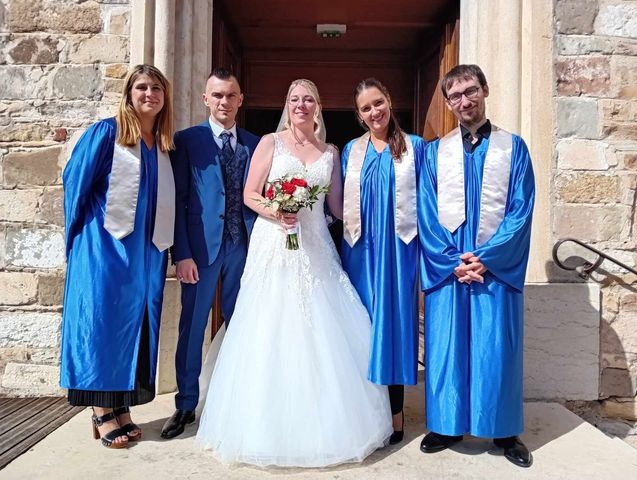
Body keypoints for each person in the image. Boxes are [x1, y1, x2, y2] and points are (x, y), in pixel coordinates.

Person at [196, 79, 392, 467]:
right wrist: (276, 210)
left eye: (308, 99)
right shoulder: (271, 142)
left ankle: (330, 423)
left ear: (318, 107)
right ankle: (262, 426)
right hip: (275, 244)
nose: (301, 105)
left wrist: (375, 211)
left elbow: (336, 206)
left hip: (317, 246)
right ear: (287, 105)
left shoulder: (331, 153)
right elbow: (250, 194)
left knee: (322, 327)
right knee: (270, 326)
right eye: (294, 99)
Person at [417, 64, 535, 468]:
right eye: (455, 96)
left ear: (485, 89)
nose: (464, 101)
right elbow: (426, 214)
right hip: (450, 268)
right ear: (448, 103)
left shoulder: (513, 148)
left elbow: (521, 212)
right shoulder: (436, 152)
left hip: (493, 268)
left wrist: (485, 258)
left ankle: (503, 431)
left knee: (495, 348)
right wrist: (452, 261)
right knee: (447, 345)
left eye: (471, 91)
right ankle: (446, 425)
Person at [60, 64, 175, 449]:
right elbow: (75, 184)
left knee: (135, 327)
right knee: (104, 324)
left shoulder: (159, 145)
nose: (149, 94)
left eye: (156, 88)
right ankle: (100, 411)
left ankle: (122, 407)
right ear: (129, 93)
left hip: (144, 256)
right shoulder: (107, 133)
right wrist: (79, 244)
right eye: (142, 87)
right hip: (105, 252)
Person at [161, 68, 260, 439]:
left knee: (244, 327)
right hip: (200, 252)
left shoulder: (254, 142)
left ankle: (237, 402)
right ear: (206, 99)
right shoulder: (187, 141)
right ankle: (185, 404)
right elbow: (179, 198)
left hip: (244, 249)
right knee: (193, 327)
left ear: (240, 100)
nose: (223, 101)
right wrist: (181, 254)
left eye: (230, 95)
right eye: (217, 95)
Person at [341, 78, 424, 444]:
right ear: (359, 116)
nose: (375, 112)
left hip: (399, 254)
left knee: (392, 329)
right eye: (366, 108)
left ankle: (395, 411)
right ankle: (364, 411)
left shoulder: (417, 149)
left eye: (379, 103)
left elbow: (432, 210)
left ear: (389, 101)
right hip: (359, 253)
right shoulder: (350, 152)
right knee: (362, 329)